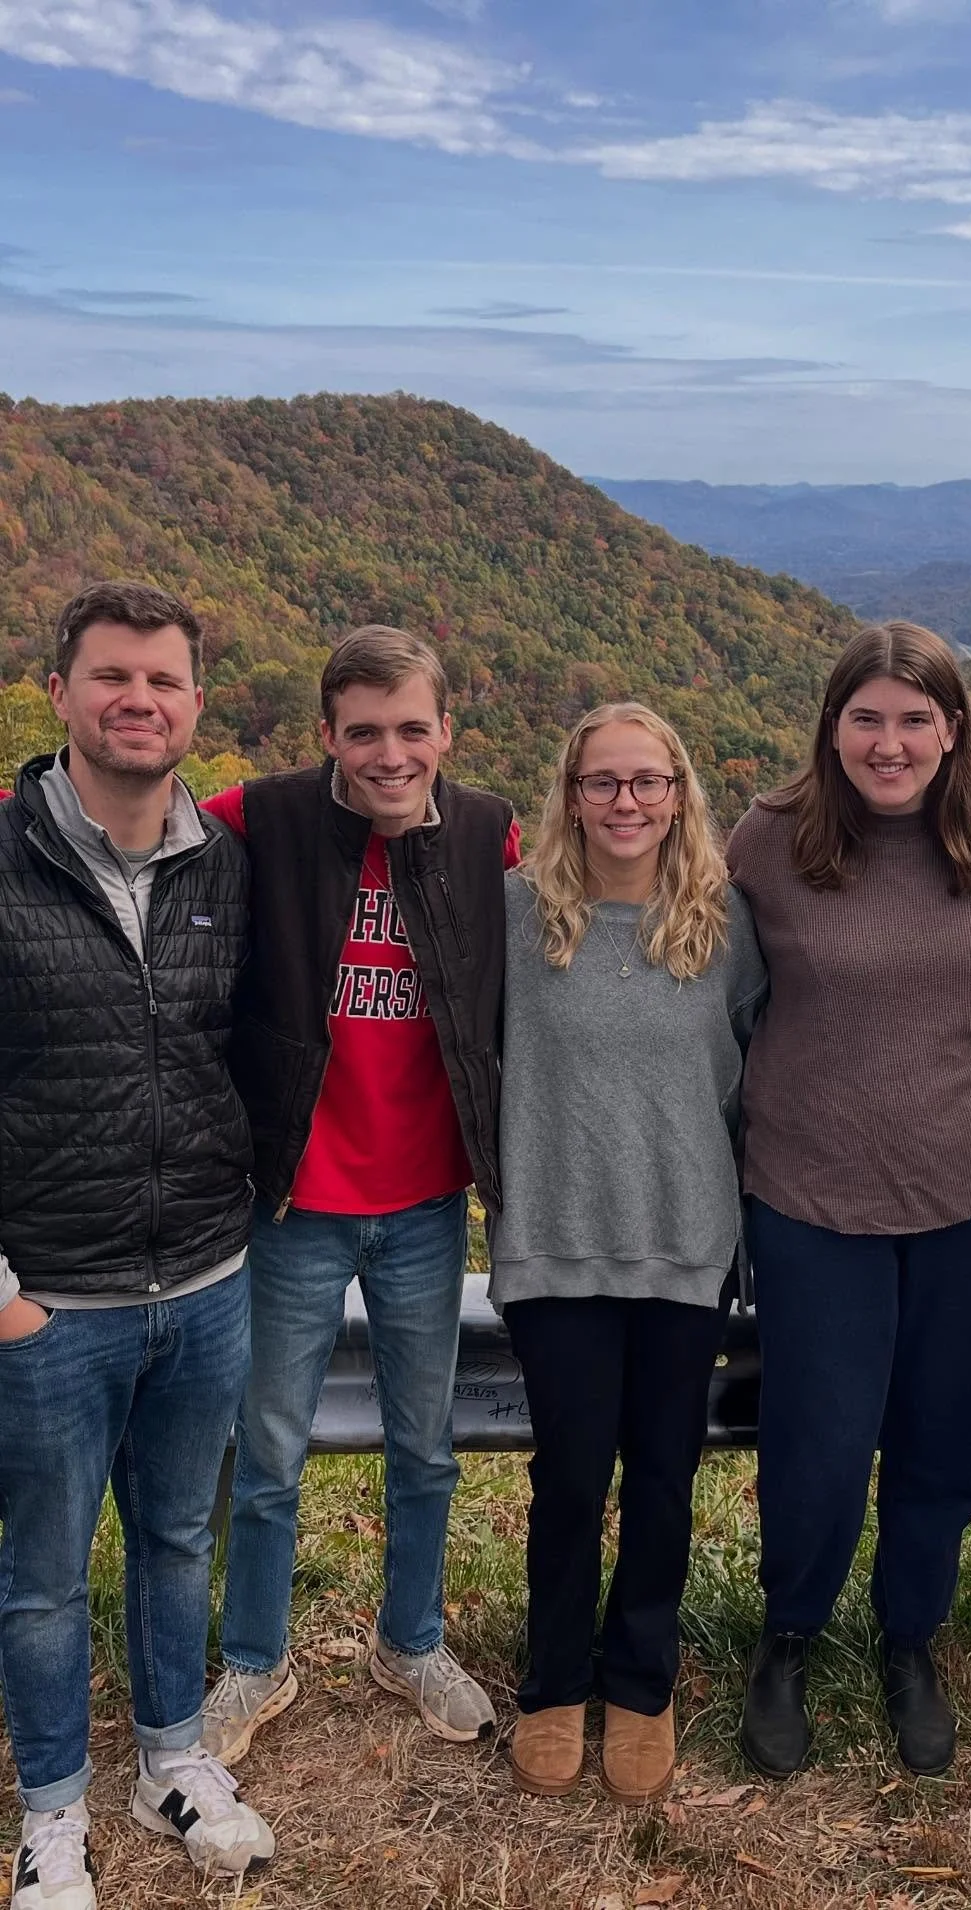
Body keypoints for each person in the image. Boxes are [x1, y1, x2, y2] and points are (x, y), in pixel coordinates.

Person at [0, 581, 274, 1910]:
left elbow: (251, 1050)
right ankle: (50, 1817)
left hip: (207, 1279)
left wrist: (245, 1215)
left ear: (194, 707)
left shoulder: (224, 864)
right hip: (50, 1296)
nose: (138, 701)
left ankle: (172, 1759)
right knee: (44, 1578)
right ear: (59, 691)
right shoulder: (5, 859)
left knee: (176, 1538)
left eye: (163, 682)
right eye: (113, 677)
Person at [198, 625, 517, 1765]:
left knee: (425, 1443)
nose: (391, 752)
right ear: (327, 733)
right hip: (294, 1201)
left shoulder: (488, 833)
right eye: (365, 730)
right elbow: (125, 820)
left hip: (428, 1199)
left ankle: (411, 1638)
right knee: (271, 1442)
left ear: (446, 731)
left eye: (413, 728)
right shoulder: (266, 817)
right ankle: (252, 1659)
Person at [728, 621, 971, 1779]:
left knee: (945, 1437)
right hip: (812, 1192)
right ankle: (789, 1637)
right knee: (817, 1438)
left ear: (953, 728)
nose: (891, 742)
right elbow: (699, 962)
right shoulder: (770, 838)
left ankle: (911, 1637)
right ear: (833, 724)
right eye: (869, 717)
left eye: (916, 719)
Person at [492, 702, 766, 1805]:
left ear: (680, 791)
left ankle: (641, 1680)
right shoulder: (516, 916)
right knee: (567, 1476)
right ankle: (555, 1680)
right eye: (603, 782)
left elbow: (756, 1072)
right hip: (555, 1241)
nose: (625, 803)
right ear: (568, 793)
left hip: (685, 1241)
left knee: (662, 1476)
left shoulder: (724, 918)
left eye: (647, 781)